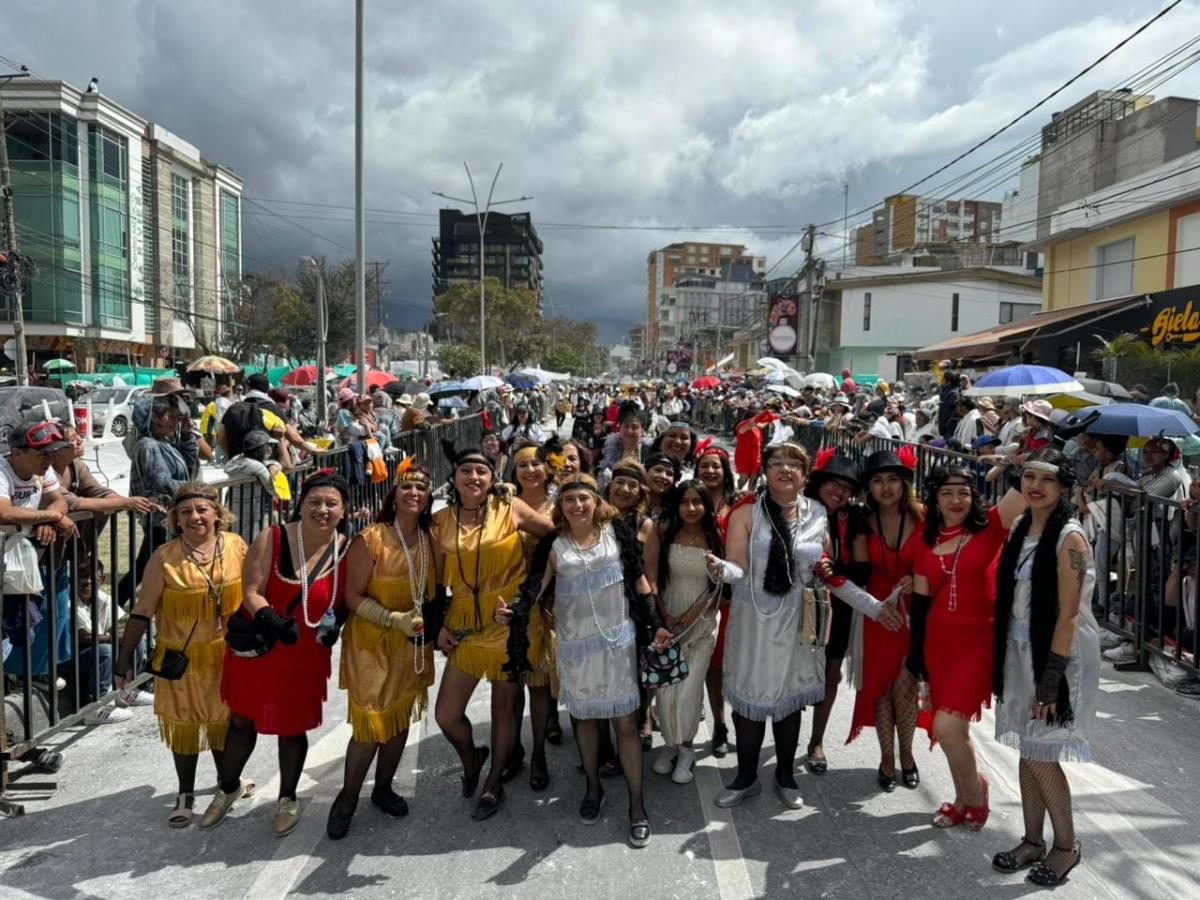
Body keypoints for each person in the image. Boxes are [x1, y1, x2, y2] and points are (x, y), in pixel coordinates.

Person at [706, 442, 903, 810]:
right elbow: (737, 568)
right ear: (765, 471)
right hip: (754, 622)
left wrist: (875, 608)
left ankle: (785, 775)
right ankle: (745, 777)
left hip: (800, 621)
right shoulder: (746, 511)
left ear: (804, 475)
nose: (784, 468)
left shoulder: (816, 514)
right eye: (776, 462)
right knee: (749, 701)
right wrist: (720, 569)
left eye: (793, 463)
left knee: (789, 700)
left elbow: (825, 572)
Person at [499, 473, 671, 848]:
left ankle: (637, 806)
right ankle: (593, 788)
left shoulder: (617, 533)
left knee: (625, 724)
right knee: (586, 721)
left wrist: (655, 625)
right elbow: (533, 588)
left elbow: (639, 580)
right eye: (569, 500)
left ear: (597, 502)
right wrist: (514, 611)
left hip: (618, 643)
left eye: (584, 499)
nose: (578, 506)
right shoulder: (554, 545)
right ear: (561, 507)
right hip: (576, 648)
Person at [199, 472, 349, 836]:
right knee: (241, 721)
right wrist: (274, 620)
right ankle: (227, 787)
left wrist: (336, 624)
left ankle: (288, 797)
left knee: (292, 728)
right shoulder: (275, 536)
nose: (323, 509)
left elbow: (347, 597)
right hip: (262, 647)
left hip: (306, 655)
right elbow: (251, 590)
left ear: (344, 510)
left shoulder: (347, 547)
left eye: (332, 503)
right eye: (315, 502)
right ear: (301, 504)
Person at [988, 449, 1097, 887]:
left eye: (1047, 479)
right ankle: (1032, 839)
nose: (1035, 485)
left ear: (1063, 487)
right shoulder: (1019, 526)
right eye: (1028, 476)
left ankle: (1067, 847)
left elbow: (1068, 616)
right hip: (1017, 648)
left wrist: (1050, 683)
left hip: (1058, 656)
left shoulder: (1069, 536)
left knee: (1042, 751)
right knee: (1027, 746)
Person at [430, 444, 553, 820]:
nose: (474, 477)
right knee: (446, 714)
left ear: (492, 477)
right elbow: (435, 583)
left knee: (504, 707)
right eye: (466, 471)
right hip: (466, 620)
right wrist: (438, 627)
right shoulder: (440, 521)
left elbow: (552, 536)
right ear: (453, 478)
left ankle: (493, 782)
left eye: (482, 471)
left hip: (510, 619)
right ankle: (473, 756)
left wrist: (530, 591)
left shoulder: (509, 507)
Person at [115, 483, 249, 828]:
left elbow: (253, 595)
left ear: (217, 514)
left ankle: (227, 784)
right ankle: (185, 793)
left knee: (226, 721)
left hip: (228, 655)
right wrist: (123, 659)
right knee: (185, 725)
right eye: (186, 512)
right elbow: (142, 611)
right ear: (175, 519)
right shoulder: (164, 558)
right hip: (181, 660)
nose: (195, 517)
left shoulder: (236, 546)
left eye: (202, 510)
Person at [323, 462, 440, 839]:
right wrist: (395, 620)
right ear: (394, 495)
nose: (413, 494)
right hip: (371, 644)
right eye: (406, 487)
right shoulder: (371, 538)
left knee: (400, 717)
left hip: (411, 644)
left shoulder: (429, 539)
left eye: (421, 489)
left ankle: (385, 788)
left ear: (427, 499)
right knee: (371, 724)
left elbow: (434, 593)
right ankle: (348, 796)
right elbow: (352, 597)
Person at [906, 465, 1025, 830]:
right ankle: (963, 799)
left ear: (974, 497)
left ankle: (975, 794)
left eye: (963, 492)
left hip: (978, 645)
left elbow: (1024, 485)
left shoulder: (991, 527)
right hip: (938, 647)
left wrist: (1030, 452)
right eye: (946, 493)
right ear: (935, 499)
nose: (955, 500)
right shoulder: (925, 541)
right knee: (950, 732)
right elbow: (921, 603)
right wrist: (916, 654)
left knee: (948, 727)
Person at [849, 448, 928, 791]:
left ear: (905, 483)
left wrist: (917, 575)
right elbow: (860, 571)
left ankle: (907, 756)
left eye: (893, 480)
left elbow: (936, 562)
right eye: (878, 481)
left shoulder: (925, 517)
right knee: (881, 689)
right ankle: (886, 759)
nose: (885, 487)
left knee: (906, 689)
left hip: (915, 610)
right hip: (877, 611)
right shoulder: (862, 522)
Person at [642, 481, 723, 786]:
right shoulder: (665, 534)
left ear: (706, 505)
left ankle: (687, 750)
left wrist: (690, 615)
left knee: (689, 688)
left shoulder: (714, 538)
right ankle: (670, 745)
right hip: (666, 621)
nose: (691, 508)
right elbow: (653, 577)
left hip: (700, 623)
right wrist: (664, 614)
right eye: (684, 501)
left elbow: (717, 585)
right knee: (665, 688)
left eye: (697, 502)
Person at [804, 449, 870, 776]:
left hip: (838, 606)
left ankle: (817, 740)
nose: (840, 492)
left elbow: (862, 569)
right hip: (797, 604)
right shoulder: (799, 510)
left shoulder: (854, 518)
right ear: (819, 483)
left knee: (831, 674)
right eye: (834, 483)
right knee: (792, 673)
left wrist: (833, 569)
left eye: (847, 487)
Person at [1, 422, 79, 687]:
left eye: (50, 454)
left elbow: (59, 500)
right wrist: (49, 516)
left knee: (23, 619)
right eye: (41, 454)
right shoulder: (2, 470)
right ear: (17, 453)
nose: (48, 460)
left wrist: (45, 519)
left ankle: (26, 675)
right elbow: (4, 512)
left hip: (17, 558)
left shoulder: (42, 470)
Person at [117, 379, 200, 606]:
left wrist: (187, 437)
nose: (175, 421)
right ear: (154, 417)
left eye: (177, 417)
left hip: (168, 517)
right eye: (171, 417)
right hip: (160, 518)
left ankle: (120, 602)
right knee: (148, 566)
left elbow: (190, 468)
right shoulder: (148, 445)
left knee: (147, 564)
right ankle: (119, 604)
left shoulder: (165, 442)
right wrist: (194, 492)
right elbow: (162, 482)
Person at [693, 439, 741, 757]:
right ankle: (719, 725)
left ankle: (742, 723)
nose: (711, 471)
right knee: (710, 665)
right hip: (696, 593)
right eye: (705, 465)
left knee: (731, 665)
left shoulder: (740, 505)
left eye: (717, 466)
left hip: (734, 595)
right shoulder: (690, 500)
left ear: (726, 472)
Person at [643, 452, 679, 521]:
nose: (663, 476)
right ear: (645, 472)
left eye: (669, 474)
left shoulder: (675, 512)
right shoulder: (630, 501)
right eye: (658, 470)